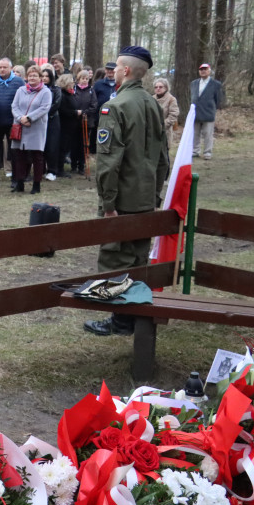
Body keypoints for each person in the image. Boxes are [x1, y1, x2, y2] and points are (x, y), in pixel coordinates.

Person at [83, 46, 169, 337]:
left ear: (127, 70)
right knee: (139, 259)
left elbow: (108, 163)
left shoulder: (116, 106)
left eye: (118, 66)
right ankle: (132, 317)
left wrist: (108, 204)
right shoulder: (153, 104)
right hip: (145, 198)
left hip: (122, 200)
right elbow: (163, 159)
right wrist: (155, 195)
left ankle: (120, 321)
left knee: (116, 259)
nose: (114, 71)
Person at [10, 66, 53, 194]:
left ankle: (36, 184)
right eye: (30, 75)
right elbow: (14, 106)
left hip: (36, 127)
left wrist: (29, 118)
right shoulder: (21, 90)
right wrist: (20, 118)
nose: (32, 78)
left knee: (37, 157)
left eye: (35, 75)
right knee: (19, 155)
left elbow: (44, 108)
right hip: (20, 126)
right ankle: (20, 183)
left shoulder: (45, 92)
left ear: (40, 78)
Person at [0, 59, 25, 187]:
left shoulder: (19, 82)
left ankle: (16, 178)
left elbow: (23, 99)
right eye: (0, 67)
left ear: (10, 68)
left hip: (13, 122)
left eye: (5, 67)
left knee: (14, 150)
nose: (2, 69)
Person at [59, 73, 97, 176]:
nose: (84, 80)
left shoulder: (91, 90)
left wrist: (85, 112)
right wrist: (76, 112)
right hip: (74, 121)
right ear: (78, 79)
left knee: (83, 145)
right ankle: (73, 165)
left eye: (87, 79)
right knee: (74, 145)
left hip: (86, 121)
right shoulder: (73, 90)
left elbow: (94, 105)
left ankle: (81, 165)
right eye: (82, 78)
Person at [191, 63, 224, 159]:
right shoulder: (194, 83)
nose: (203, 71)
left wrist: (213, 109)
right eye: (201, 69)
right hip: (195, 113)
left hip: (208, 112)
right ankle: (195, 151)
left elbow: (218, 99)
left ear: (209, 71)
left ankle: (207, 152)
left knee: (208, 134)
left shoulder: (216, 84)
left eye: (205, 69)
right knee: (195, 134)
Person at [41, 67, 64, 180]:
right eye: (43, 76)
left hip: (52, 119)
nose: (45, 78)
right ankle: (41, 169)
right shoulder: (38, 89)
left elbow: (56, 104)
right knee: (41, 146)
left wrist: (44, 112)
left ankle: (52, 170)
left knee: (52, 145)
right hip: (39, 120)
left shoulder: (56, 89)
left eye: (47, 76)